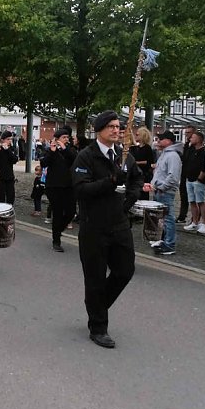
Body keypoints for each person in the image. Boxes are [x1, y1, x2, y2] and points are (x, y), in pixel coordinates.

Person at [72, 110, 143, 349]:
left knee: (125, 271)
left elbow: (137, 180)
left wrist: (128, 201)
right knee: (95, 278)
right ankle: (99, 327)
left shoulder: (124, 156)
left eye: (118, 126)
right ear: (99, 130)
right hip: (94, 227)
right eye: (111, 126)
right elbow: (81, 190)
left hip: (119, 224)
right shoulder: (86, 157)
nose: (116, 130)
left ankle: (97, 306)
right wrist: (110, 181)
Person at [144, 131, 183, 255]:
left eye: (161, 139)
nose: (158, 141)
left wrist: (161, 187)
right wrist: (153, 184)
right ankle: (163, 240)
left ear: (169, 141)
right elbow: (159, 173)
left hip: (164, 191)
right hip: (159, 190)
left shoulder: (172, 156)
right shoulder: (165, 154)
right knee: (162, 218)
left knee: (168, 218)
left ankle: (169, 244)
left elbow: (173, 176)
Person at [41, 127, 78, 252]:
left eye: (67, 137)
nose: (66, 139)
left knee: (71, 211)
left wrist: (65, 148)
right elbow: (44, 163)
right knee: (57, 212)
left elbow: (75, 159)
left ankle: (59, 229)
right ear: (57, 139)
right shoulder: (50, 150)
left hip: (69, 186)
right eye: (63, 137)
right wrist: (52, 151)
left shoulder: (70, 150)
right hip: (54, 186)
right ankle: (56, 240)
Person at [183, 131, 205, 235]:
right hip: (189, 179)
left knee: (201, 201)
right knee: (192, 201)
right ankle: (194, 222)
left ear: (199, 139)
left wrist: (199, 179)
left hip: (198, 181)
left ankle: (204, 223)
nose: (190, 138)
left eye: (193, 137)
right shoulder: (191, 149)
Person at [0, 130, 18, 204]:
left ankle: (10, 208)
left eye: (10, 139)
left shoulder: (12, 149)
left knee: (11, 195)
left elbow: (15, 160)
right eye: (8, 139)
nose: (9, 141)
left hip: (9, 175)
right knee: (0, 196)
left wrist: (7, 150)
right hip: (0, 176)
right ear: (3, 140)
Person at [128, 126, 155, 200]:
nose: (136, 136)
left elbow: (149, 162)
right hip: (136, 174)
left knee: (143, 194)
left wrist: (136, 163)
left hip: (144, 174)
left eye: (137, 135)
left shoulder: (147, 148)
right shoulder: (136, 147)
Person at [176, 125, 195, 224]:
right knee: (183, 196)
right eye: (186, 132)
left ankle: (194, 220)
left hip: (192, 175)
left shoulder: (196, 146)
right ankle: (182, 216)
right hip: (184, 174)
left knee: (193, 198)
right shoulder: (187, 145)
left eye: (188, 132)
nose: (187, 134)